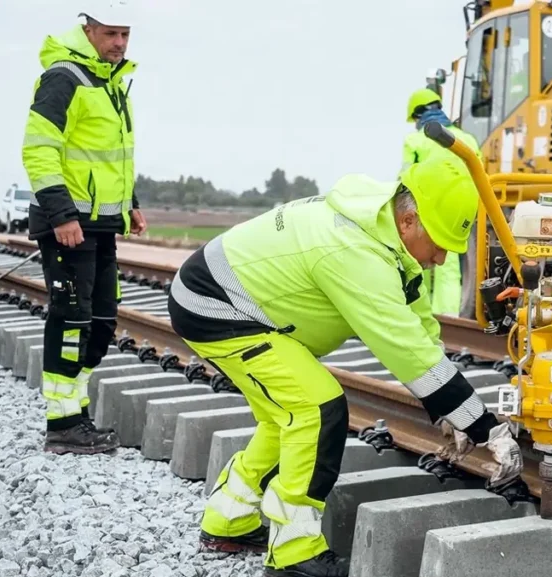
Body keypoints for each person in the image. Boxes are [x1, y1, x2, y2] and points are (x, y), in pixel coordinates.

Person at [166, 154, 524, 577]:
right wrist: (484, 427)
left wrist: (451, 411)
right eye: (440, 244)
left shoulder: (384, 229)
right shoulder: (355, 253)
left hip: (231, 303)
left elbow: (418, 325)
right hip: (216, 308)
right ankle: (294, 554)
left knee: (287, 417)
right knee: (318, 410)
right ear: (409, 221)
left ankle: (229, 519)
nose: (443, 259)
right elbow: (407, 351)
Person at [22, 3, 148, 455]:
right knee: (71, 320)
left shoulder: (112, 84)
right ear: (89, 29)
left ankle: (77, 412)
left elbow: (113, 156)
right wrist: (61, 215)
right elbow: (39, 150)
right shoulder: (64, 78)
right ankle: (62, 423)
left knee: (100, 322)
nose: (119, 43)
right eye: (112, 33)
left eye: (126, 35)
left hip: (101, 225)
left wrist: (130, 204)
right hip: (68, 225)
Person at [401, 88, 483, 317]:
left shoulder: (415, 140)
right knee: (448, 265)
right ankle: (448, 320)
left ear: (418, 116)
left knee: (418, 263)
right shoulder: (467, 139)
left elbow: (404, 179)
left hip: (423, 207)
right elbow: (480, 174)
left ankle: (420, 314)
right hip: (461, 207)